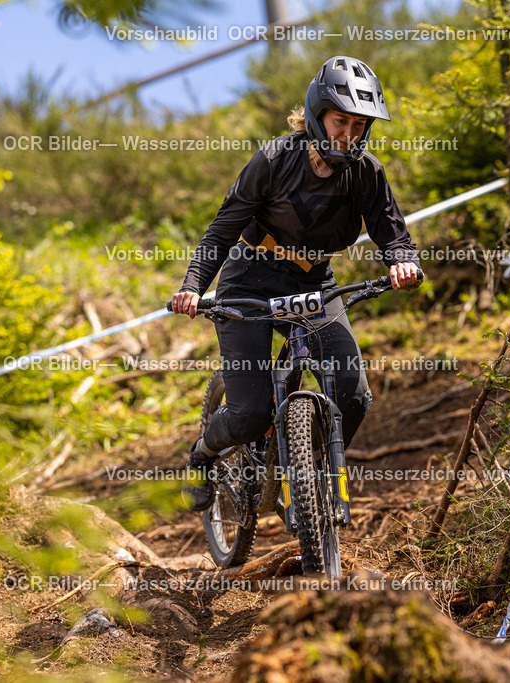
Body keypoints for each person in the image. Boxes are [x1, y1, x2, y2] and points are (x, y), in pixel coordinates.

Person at [171, 55, 423, 511]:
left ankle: (307, 474)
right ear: (315, 116)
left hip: (314, 282)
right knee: (250, 415)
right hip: (249, 280)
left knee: (354, 394)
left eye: (359, 124)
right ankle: (203, 454)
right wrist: (193, 285)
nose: (349, 134)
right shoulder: (273, 160)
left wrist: (403, 263)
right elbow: (223, 229)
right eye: (339, 121)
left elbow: (391, 229)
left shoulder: (366, 171)